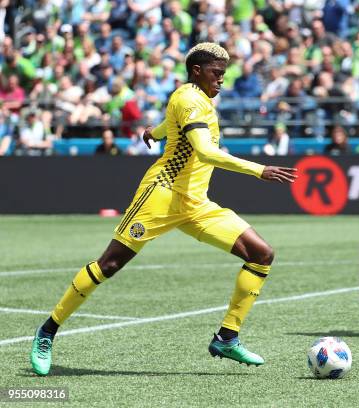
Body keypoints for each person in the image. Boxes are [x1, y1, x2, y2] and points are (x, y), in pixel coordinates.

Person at [30, 43, 297, 376]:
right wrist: (259, 170)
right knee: (109, 264)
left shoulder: (191, 98)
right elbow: (205, 151)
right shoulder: (188, 99)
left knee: (261, 254)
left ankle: (227, 337)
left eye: (224, 76)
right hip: (162, 195)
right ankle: (47, 331)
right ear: (197, 71)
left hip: (196, 203)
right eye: (216, 74)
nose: (221, 81)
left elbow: (173, 124)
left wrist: (152, 132)